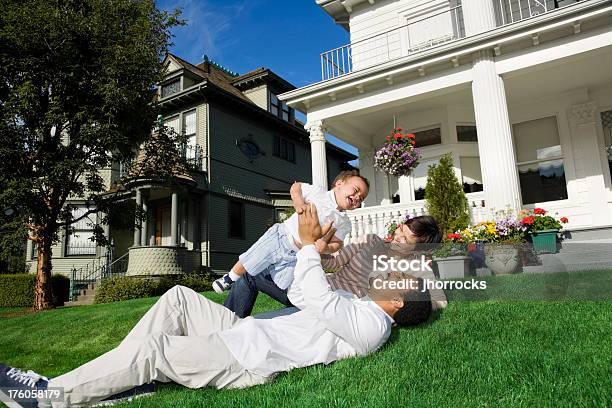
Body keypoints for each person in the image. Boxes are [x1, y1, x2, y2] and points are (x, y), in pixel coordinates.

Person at [0, 203, 432, 408]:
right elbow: (304, 295)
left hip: (245, 360)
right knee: (178, 298)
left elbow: (316, 296)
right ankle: (130, 379)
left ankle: (47, 397)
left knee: (155, 351)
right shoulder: (361, 304)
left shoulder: (373, 327)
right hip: (245, 333)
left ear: (396, 301)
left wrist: (305, 245)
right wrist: (316, 250)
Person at [225, 215, 446, 318]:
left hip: (337, 307)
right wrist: (319, 250)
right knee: (252, 271)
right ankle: (228, 320)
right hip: (318, 286)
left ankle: (229, 323)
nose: (397, 237)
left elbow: (439, 302)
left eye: (406, 240)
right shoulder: (370, 240)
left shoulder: (417, 269)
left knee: (264, 314)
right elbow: (336, 261)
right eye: (401, 230)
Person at [212, 170, 369, 294]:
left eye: (361, 198)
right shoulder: (318, 192)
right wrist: (298, 201)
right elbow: (296, 187)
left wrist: (326, 248)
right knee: (253, 257)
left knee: (284, 283)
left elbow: (337, 244)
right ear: (339, 183)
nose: (357, 198)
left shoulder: (344, 222)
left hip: (298, 254)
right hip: (281, 237)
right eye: (355, 191)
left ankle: (263, 269)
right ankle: (229, 278)